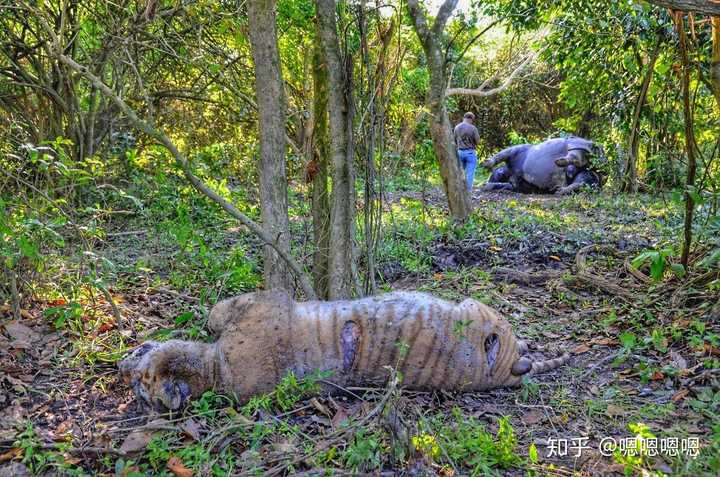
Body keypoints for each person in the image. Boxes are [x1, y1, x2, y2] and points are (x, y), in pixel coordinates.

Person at [453, 112, 481, 191]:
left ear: (464, 118)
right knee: (469, 174)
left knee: (459, 173)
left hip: (460, 152)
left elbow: (454, 140)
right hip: (470, 153)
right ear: (471, 119)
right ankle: (468, 192)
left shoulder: (457, 127)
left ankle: (458, 190)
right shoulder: (473, 128)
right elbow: (478, 142)